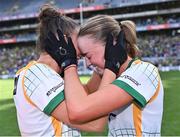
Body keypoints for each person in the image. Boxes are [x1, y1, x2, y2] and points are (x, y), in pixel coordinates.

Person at [45, 15, 164, 136]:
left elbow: (79, 110)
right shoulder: (106, 73)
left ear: (110, 45)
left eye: (89, 56)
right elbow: (85, 93)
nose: (87, 63)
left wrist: (69, 65)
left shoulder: (143, 71)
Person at [13, 5, 106, 136]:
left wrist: (100, 65)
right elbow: (94, 124)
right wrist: (111, 71)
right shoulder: (40, 75)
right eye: (77, 40)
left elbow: (86, 93)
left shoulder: (43, 73)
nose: (81, 47)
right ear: (61, 39)